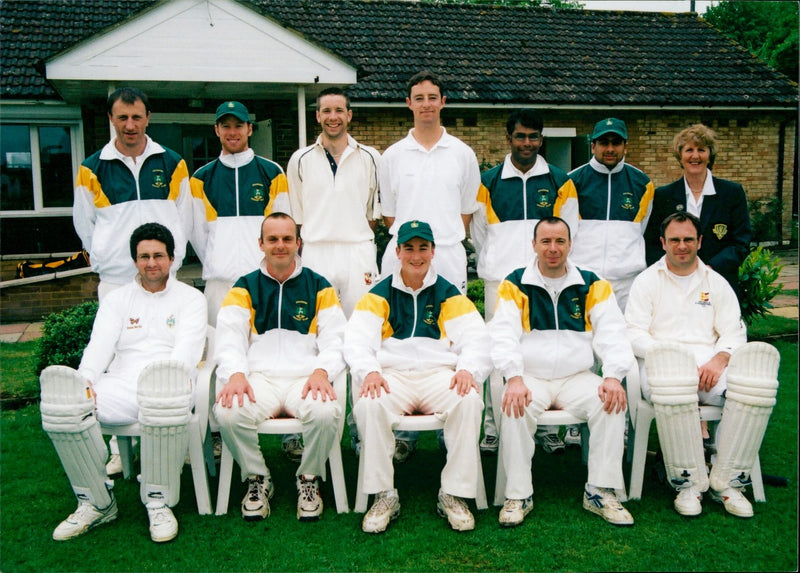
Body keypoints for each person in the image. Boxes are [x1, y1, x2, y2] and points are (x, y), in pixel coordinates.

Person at [39, 223, 207, 543]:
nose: (151, 263)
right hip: (122, 384)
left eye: (158, 255)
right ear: (134, 261)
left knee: (163, 396)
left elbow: (185, 355)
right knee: (68, 404)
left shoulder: (191, 299)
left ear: (172, 259)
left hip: (171, 385)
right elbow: (97, 349)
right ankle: (97, 501)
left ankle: (158, 501)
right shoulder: (117, 300)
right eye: (144, 256)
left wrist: (169, 382)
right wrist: (84, 382)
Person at [345, 220, 491, 533]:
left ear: (432, 251)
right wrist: (370, 371)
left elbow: (477, 339)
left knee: (469, 400)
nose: (416, 255)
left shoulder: (449, 293)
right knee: (369, 403)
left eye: (422, 248)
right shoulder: (378, 294)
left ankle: (453, 494)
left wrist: (467, 369)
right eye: (408, 248)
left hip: (439, 375)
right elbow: (356, 340)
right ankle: (383, 494)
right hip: (392, 376)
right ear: (397, 251)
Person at [489, 216, 634, 527]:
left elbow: (614, 333)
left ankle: (600, 491)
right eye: (546, 241)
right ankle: (518, 494)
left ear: (570, 244)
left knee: (610, 401)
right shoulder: (514, 283)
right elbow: (502, 335)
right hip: (531, 376)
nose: (553, 249)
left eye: (560, 241)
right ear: (534, 245)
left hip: (576, 377)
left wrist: (612, 376)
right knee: (515, 403)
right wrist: (513, 377)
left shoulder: (593, 284)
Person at [625, 212, 773, 518]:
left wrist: (720, 360)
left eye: (688, 239)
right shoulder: (646, 282)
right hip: (662, 367)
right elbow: (634, 332)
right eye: (675, 239)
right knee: (675, 388)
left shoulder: (716, 283)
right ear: (663, 242)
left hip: (709, 369)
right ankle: (687, 483)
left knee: (750, 390)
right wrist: (672, 359)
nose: (682, 246)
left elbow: (734, 330)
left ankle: (728, 481)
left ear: (700, 242)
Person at [213, 213, 346, 523]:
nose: (280, 245)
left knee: (326, 413)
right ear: (261, 244)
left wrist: (322, 371)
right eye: (272, 239)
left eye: (287, 238)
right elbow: (229, 338)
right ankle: (258, 477)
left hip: (305, 377)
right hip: (260, 379)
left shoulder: (319, 286)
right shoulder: (243, 287)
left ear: (298, 243)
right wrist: (235, 373)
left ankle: (308, 480)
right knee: (228, 413)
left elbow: (336, 338)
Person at [378, 70, 481, 461]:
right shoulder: (392, 155)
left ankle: (449, 421)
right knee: (402, 333)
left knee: (450, 336)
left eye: (432, 97)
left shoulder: (462, 153)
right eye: (418, 97)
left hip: (449, 253)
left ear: (443, 102)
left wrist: (441, 245)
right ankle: (403, 428)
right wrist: (413, 250)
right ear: (409, 104)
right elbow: (390, 214)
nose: (426, 104)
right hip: (402, 254)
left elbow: (466, 212)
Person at [470, 109, 579, 455]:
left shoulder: (560, 181)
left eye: (534, 137)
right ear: (509, 138)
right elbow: (478, 236)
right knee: (497, 353)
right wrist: (499, 265)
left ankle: (546, 427)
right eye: (521, 136)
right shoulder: (487, 182)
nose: (527, 143)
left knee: (543, 351)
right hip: (500, 283)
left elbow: (568, 233)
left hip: (546, 281)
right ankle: (492, 427)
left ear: (541, 139)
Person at [73, 87, 193, 301]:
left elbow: (185, 219)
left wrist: (173, 260)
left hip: (164, 277)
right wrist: (106, 258)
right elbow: (84, 224)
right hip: (115, 280)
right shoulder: (90, 169)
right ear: (111, 118)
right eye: (122, 117)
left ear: (148, 118)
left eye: (136, 117)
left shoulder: (173, 163)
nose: (130, 125)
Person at [189, 100, 290, 326]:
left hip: (262, 278)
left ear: (250, 129)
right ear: (216, 130)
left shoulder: (272, 172)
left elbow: (284, 228)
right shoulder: (201, 178)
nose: (232, 132)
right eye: (226, 126)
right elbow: (197, 233)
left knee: (263, 346)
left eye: (239, 125)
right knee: (218, 346)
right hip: (218, 283)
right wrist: (218, 261)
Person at [286, 87, 381, 317]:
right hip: (316, 251)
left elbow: (372, 215)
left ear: (349, 115)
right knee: (318, 321)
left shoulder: (370, 157)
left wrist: (350, 234)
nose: (333, 117)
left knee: (362, 319)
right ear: (317, 116)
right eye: (326, 111)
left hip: (358, 251)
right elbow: (299, 215)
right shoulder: (300, 159)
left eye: (339, 110)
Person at [644, 123, 752, 300]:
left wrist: (708, 269)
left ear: (710, 155)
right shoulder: (663, 196)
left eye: (701, 149)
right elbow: (652, 242)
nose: (695, 156)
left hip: (718, 282)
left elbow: (741, 241)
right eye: (689, 150)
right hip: (674, 284)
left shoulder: (731, 193)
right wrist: (673, 269)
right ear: (680, 156)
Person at [569, 117, 654, 312]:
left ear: (625, 146)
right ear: (593, 146)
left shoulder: (643, 184)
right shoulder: (572, 181)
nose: (609, 149)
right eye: (603, 143)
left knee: (625, 338)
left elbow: (643, 229)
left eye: (616, 143)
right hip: (584, 278)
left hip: (627, 283)